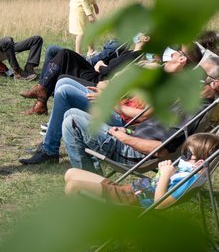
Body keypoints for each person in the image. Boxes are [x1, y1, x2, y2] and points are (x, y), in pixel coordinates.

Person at [59, 75, 219, 172]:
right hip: (130, 138)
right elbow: (154, 128)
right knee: (70, 114)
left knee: (72, 121)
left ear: (214, 85)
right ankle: (91, 178)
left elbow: (160, 149)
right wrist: (127, 131)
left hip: (135, 154)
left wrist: (122, 137)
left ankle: (87, 183)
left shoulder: (194, 112)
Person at [20, 35, 167, 115]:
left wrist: (101, 67)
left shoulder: (137, 56)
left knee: (63, 56)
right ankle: (41, 95)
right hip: (96, 72)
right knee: (60, 53)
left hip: (98, 79)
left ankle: (41, 94)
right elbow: (108, 61)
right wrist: (101, 63)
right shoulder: (128, 51)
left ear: (145, 38)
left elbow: (112, 72)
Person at [64, 133, 219, 208]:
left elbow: (159, 205)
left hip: (131, 200)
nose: (182, 157)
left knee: (73, 186)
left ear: (199, 163)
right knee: (70, 173)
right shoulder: (189, 173)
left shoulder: (189, 180)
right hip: (129, 190)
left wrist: (164, 175)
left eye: (186, 154)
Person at [18, 77, 149, 165]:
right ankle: (48, 143)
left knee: (64, 92)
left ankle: (49, 150)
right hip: (116, 108)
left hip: (122, 121)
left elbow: (142, 116)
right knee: (63, 81)